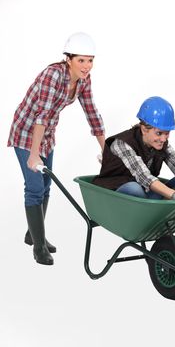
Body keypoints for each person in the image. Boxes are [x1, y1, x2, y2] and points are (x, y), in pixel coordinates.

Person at [8, 32, 105, 266]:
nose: (86, 66)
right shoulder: (54, 75)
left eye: (90, 60)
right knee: (34, 188)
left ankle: (33, 234)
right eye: (81, 60)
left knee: (46, 185)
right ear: (68, 59)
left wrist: (106, 150)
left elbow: (92, 113)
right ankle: (39, 247)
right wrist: (33, 154)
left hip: (48, 133)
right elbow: (41, 116)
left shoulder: (84, 80)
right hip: (27, 132)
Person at [93, 96, 175, 208]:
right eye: (159, 133)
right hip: (116, 193)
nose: (163, 139)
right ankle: (162, 203)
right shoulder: (123, 143)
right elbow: (145, 177)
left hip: (145, 194)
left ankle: (160, 208)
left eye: (167, 133)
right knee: (135, 188)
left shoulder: (161, 143)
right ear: (144, 129)